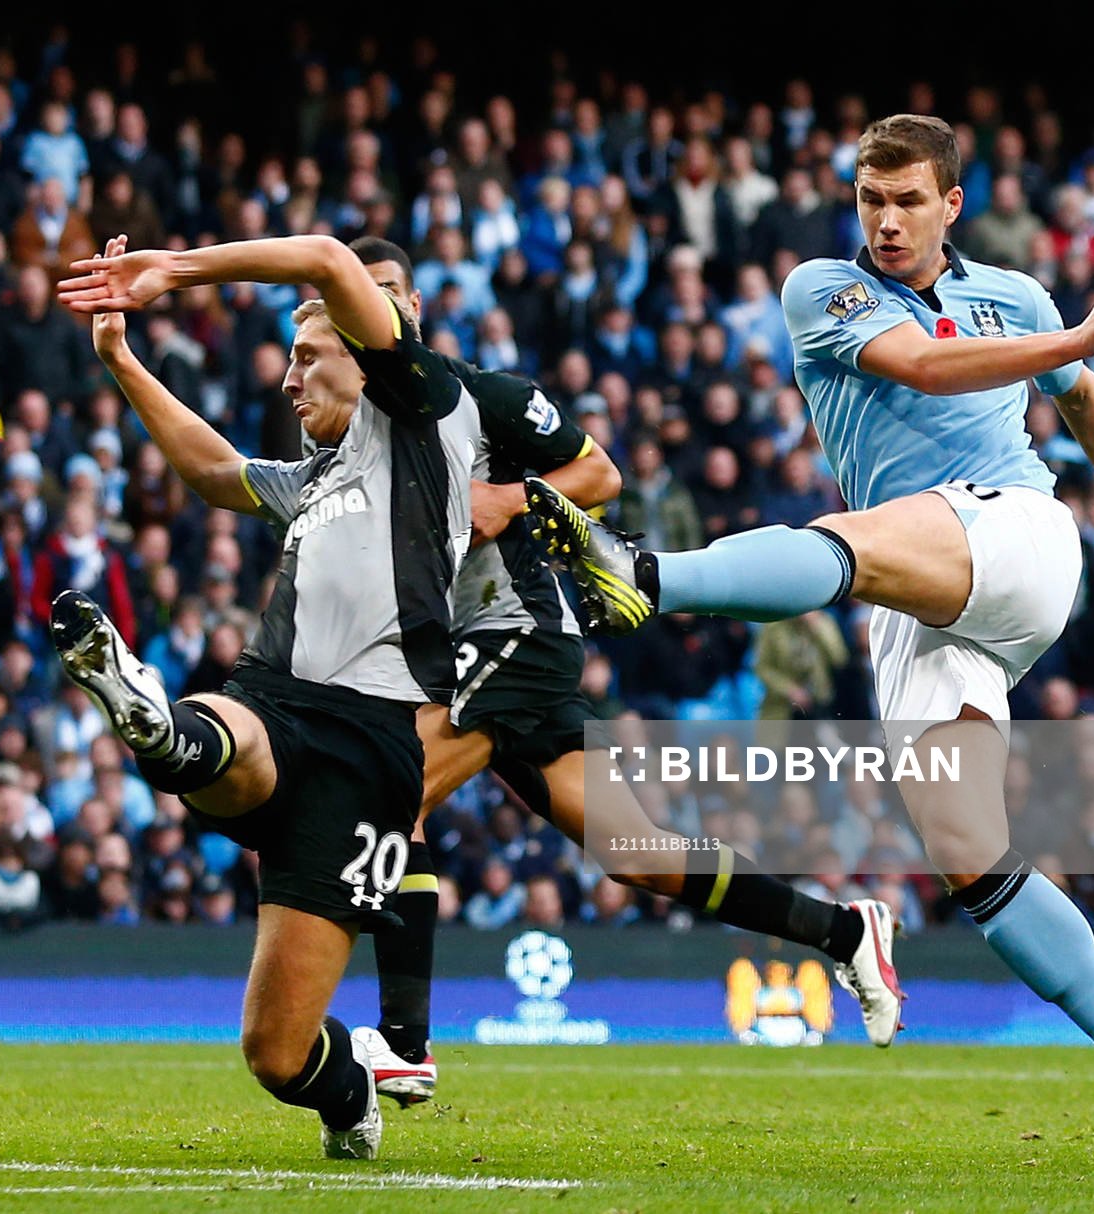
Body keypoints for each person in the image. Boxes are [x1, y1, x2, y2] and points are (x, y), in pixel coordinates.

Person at [527, 114, 1094, 1168]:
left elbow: (1083, 402)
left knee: (847, 542)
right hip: (923, 598)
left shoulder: (1014, 296)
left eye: (910, 199)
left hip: (1015, 532)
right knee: (970, 857)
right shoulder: (823, 287)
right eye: (872, 198)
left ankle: (645, 577)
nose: (889, 218)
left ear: (953, 203)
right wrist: (1076, 342)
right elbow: (922, 367)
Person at [343, 237, 904, 1109]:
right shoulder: (362, 430)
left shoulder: (481, 396)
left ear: (413, 307)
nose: (377, 306)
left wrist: (514, 497)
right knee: (637, 854)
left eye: (388, 291)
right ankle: (844, 930)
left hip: (519, 635)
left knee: (389, 793)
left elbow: (599, 473)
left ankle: (406, 1044)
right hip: (462, 650)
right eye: (359, 294)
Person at [55, 232, 478, 1161]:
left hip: (373, 743)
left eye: (307, 357)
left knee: (274, 1051)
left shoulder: (423, 411)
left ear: (366, 358)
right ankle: (158, 724)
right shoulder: (319, 474)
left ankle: (346, 1092)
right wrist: (122, 357)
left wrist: (173, 269)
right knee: (222, 734)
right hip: (277, 704)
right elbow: (211, 470)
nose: (289, 380)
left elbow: (328, 255)